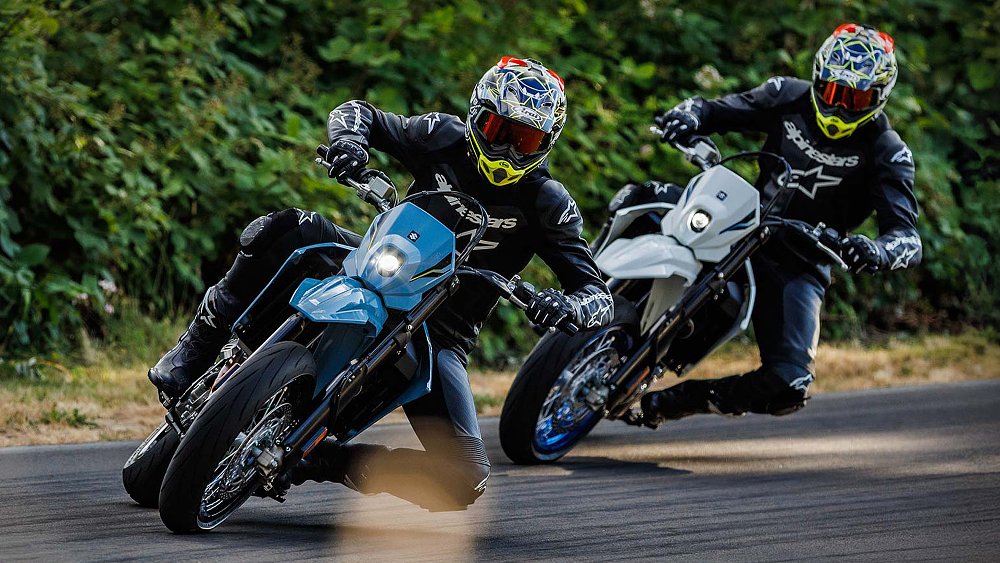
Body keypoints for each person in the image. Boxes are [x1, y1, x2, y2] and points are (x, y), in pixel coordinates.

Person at [147, 56, 613, 510]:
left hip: (441, 329)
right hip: (374, 264)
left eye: (526, 140)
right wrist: (350, 144)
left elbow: (598, 294)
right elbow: (358, 112)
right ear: (477, 115)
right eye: (499, 130)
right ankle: (196, 348)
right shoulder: (441, 135)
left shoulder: (547, 202)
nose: (509, 150)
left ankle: (321, 459)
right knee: (287, 228)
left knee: (464, 479)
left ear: (546, 144)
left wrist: (567, 307)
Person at [639, 23, 922, 425]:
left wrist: (875, 249)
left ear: (879, 97)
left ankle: (679, 400)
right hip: (740, 220)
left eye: (855, 97)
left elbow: (907, 236)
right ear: (817, 76)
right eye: (832, 91)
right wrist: (687, 115)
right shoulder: (786, 95)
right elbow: (715, 110)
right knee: (645, 197)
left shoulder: (888, 151)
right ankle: (589, 294)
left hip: (800, 258)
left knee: (790, 384)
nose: (839, 106)